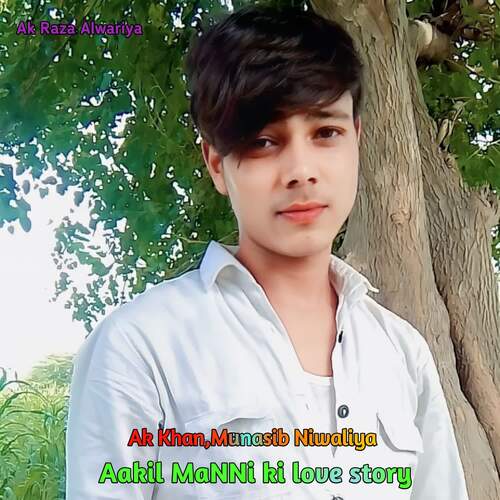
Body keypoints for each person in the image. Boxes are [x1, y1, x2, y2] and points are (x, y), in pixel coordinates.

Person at [65, 4, 469, 499]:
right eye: (262, 141)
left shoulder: (404, 354)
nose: (301, 171)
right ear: (217, 164)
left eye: (326, 133)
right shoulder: (139, 347)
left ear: (357, 139)